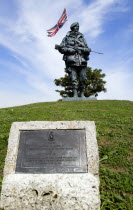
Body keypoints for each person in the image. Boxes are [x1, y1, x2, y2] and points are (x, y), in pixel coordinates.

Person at [55, 22, 91, 97]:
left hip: (82, 61)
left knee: (83, 78)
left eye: (78, 26)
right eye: (76, 26)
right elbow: (61, 48)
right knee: (73, 78)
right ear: (72, 28)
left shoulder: (82, 38)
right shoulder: (66, 38)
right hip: (71, 60)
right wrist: (68, 50)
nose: (77, 28)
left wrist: (83, 49)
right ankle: (75, 94)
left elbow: (87, 49)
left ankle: (82, 93)